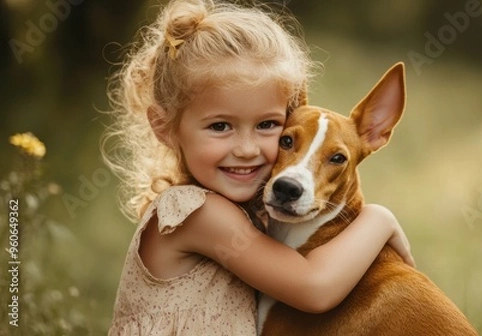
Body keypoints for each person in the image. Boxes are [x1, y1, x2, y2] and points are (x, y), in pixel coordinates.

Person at [103, 0, 415, 334]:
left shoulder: (249, 213)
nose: (247, 149)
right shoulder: (198, 213)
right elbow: (314, 287)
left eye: (267, 126)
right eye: (220, 126)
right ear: (165, 127)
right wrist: (380, 219)